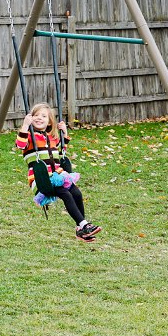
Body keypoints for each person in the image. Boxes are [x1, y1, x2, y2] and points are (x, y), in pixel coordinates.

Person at [15, 103, 102, 242]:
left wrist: (64, 134)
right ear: (31, 118)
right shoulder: (30, 137)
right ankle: (84, 225)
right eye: (36, 115)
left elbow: (60, 154)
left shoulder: (52, 138)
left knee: (76, 193)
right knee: (65, 194)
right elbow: (20, 145)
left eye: (43, 116)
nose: (39, 118)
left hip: (58, 176)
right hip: (41, 179)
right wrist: (25, 126)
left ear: (49, 121)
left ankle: (81, 229)